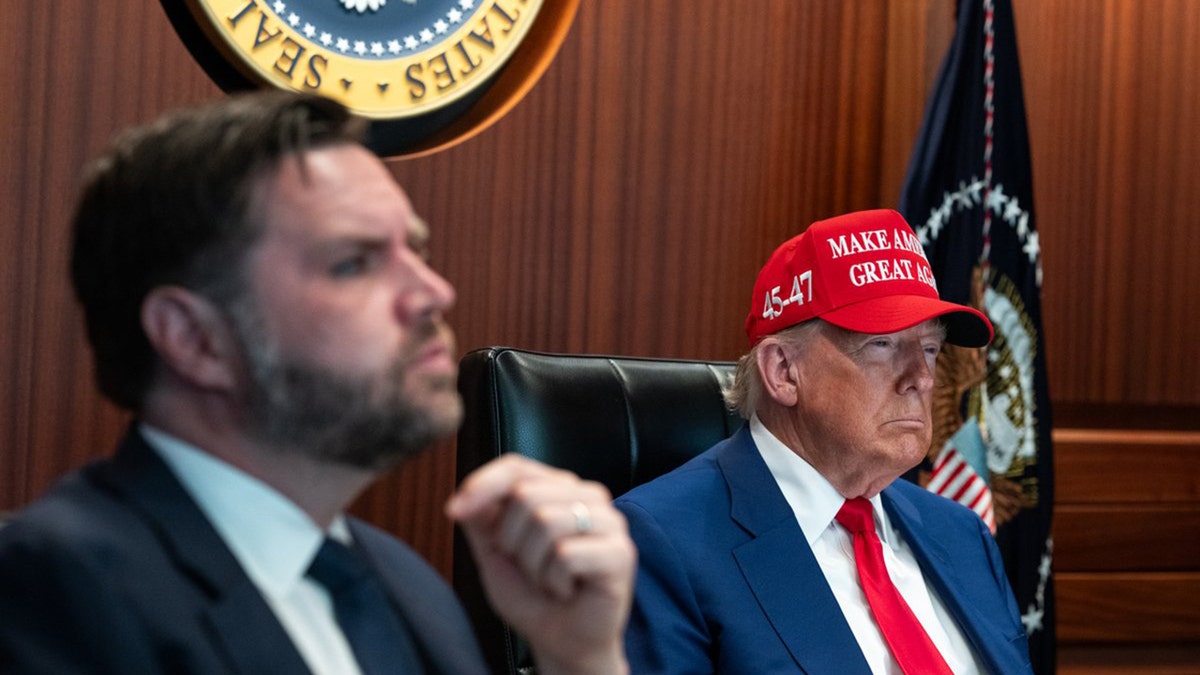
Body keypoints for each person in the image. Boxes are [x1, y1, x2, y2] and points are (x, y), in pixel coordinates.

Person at [0, 91, 634, 675]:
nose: (434, 293)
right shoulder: (54, 587)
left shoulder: (405, 586)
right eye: (353, 263)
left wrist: (579, 657)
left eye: (417, 252)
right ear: (196, 340)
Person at [614, 209, 1034, 674]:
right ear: (783, 372)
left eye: (930, 349)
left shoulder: (961, 533)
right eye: (883, 345)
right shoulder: (661, 544)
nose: (922, 378)